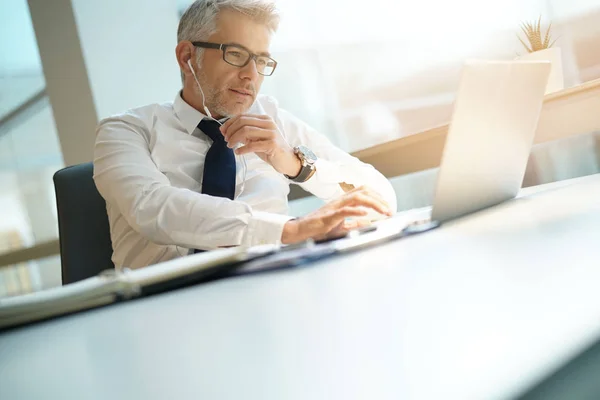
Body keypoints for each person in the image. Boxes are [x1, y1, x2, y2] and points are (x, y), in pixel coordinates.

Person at [93, 0, 397, 270]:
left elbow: (380, 196)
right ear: (187, 57)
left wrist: (294, 164)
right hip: (164, 307)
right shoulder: (126, 130)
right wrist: (289, 230)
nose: (251, 75)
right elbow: (152, 208)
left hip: (272, 287)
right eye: (236, 54)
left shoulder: (271, 118)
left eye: (261, 60)